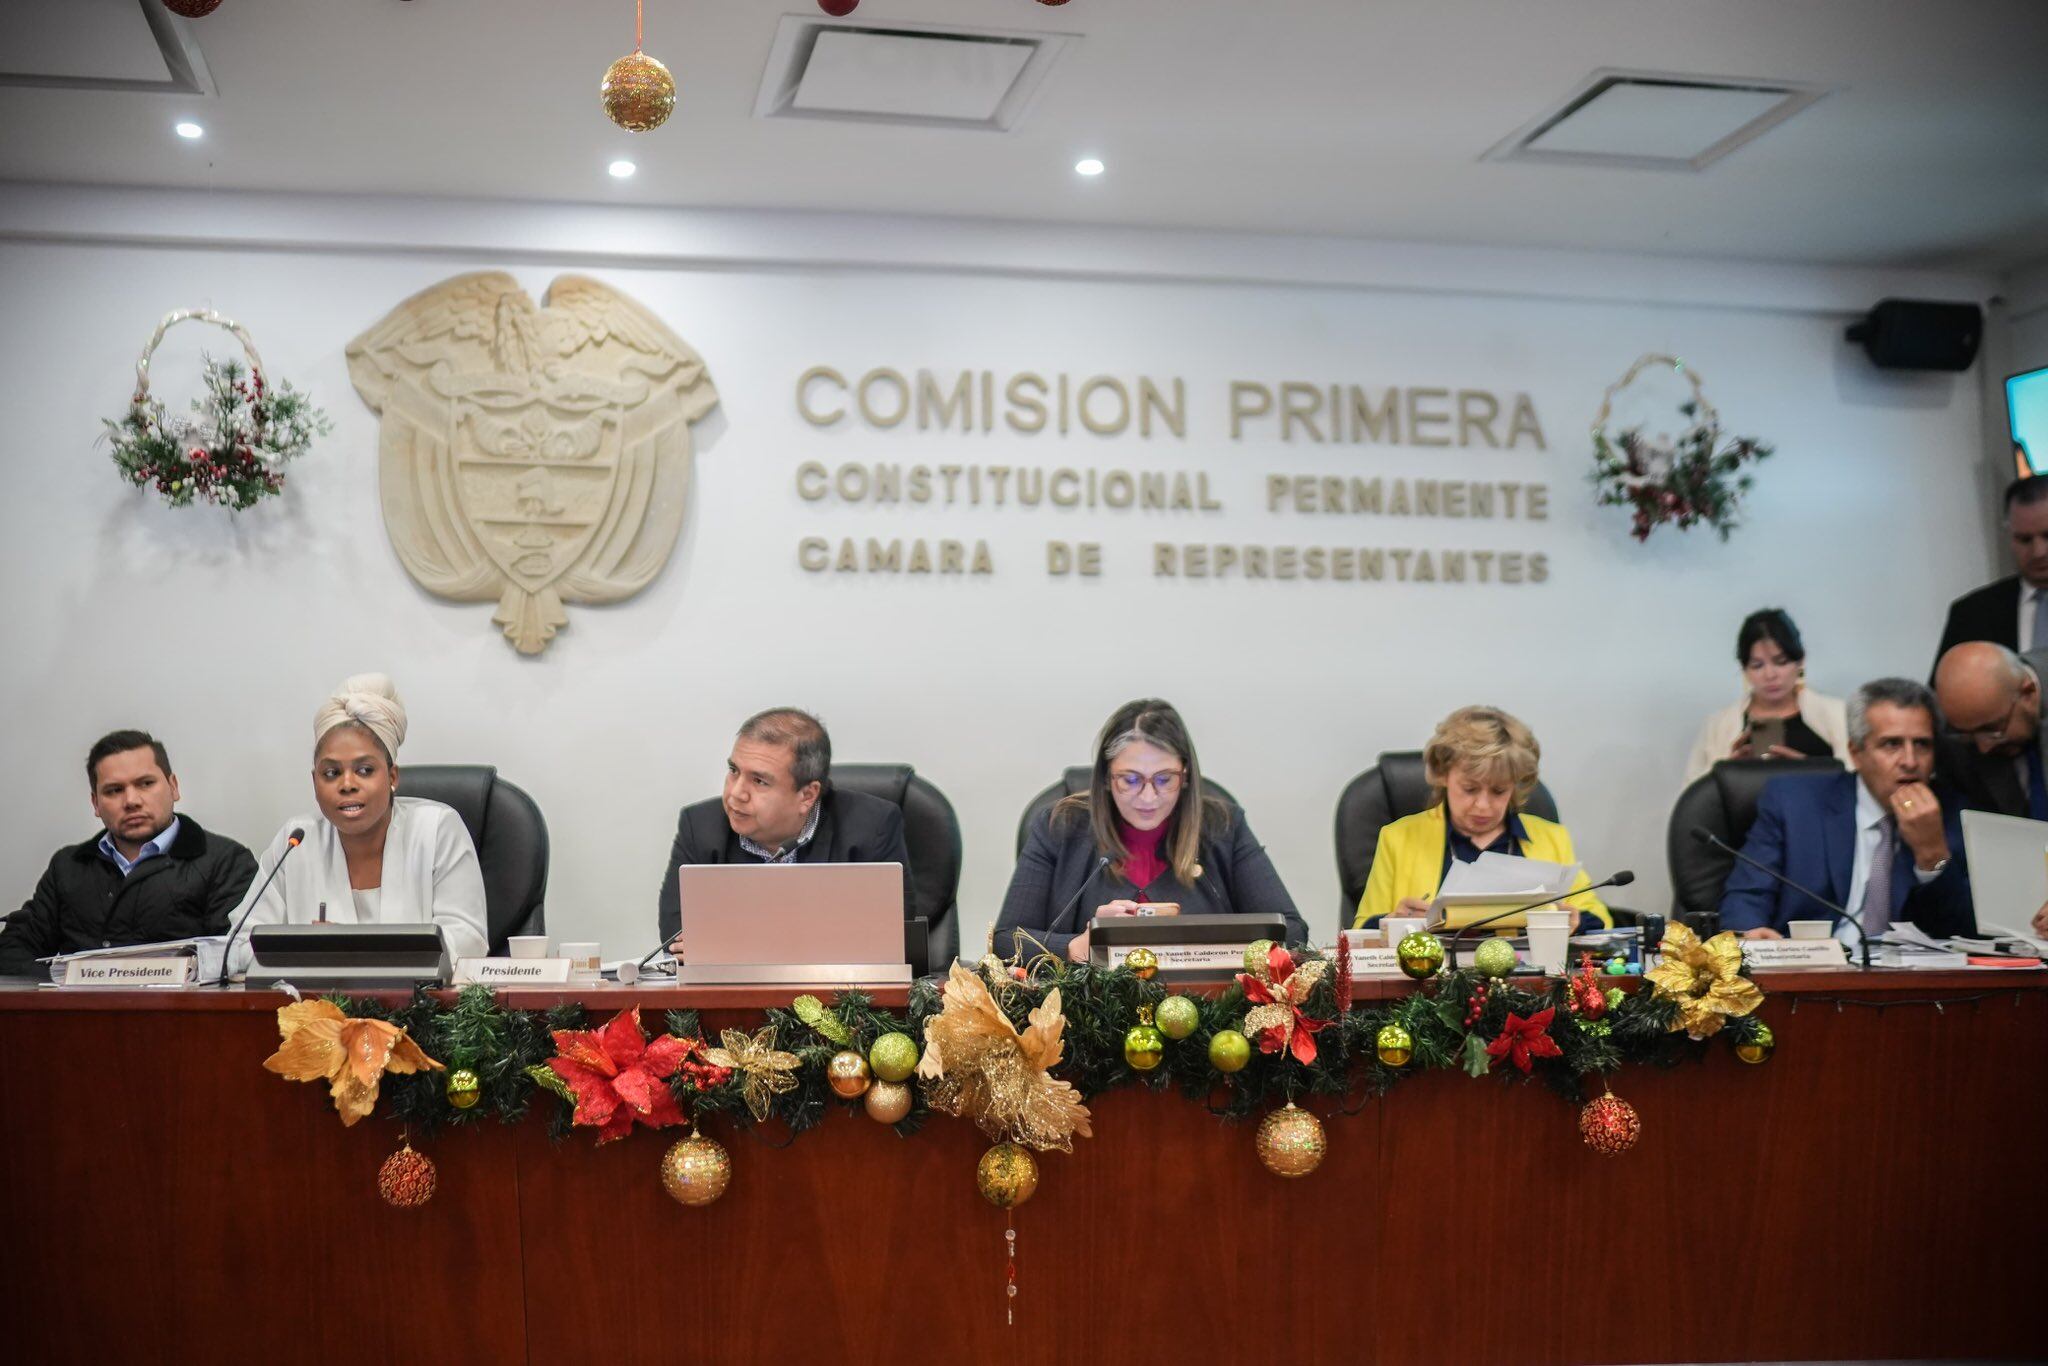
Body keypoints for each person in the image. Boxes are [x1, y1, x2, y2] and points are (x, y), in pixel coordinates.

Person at [993, 699, 1306, 962]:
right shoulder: (1060, 827)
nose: (1148, 797)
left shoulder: (1223, 827)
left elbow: (1292, 931)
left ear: (1185, 775)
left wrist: (1208, 949)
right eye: (1130, 779)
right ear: (1105, 776)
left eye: (1164, 779)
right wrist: (1076, 946)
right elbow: (1006, 940)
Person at [227, 674, 488, 972]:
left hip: (421, 1010)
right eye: (331, 773)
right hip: (316, 1011)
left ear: (392, 777)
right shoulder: (297, 839)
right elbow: (240, 943)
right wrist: (308, 950)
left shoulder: (437, 829)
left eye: (364, 770)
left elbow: (467, 940)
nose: (347, 784)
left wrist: (350, 951)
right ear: (314, 782)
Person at [1720, 678, 1974, 940]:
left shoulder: (1953, 814)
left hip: (1907, 976)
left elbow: (1963, 930)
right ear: (1856, 752)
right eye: (1892, 744)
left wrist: (1932, 856)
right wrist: (1750, 935)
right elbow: (1748, 895)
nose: (1910, 762)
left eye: (1922, 745)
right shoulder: (1794, 802)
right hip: (1812, 970)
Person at [0, 730, 256, 976]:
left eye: (145, 784)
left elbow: (235, 957)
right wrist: (63, 984)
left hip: (179, 1017)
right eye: (114, 790)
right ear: (95, 803)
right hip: (80, 1017)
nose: (131, 800)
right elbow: (15, 950)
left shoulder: (225, 861)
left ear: (173, 787)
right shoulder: (68, 866)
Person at [656, 708, 910, 947]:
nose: (736, 793)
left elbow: (894, 937)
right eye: (733, 770)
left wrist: (734, 944)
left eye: (759, 781)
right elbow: (676, 938)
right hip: (732, 992)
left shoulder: (872, 827)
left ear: (807, 796)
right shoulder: (700, 827)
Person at [1354, 705, 1611, 932]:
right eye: (1470, 789)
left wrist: (1576, 920)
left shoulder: (1551, 838)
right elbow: (1361, 929)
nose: (1483, 805)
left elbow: (1600, 919)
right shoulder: (1399, 838)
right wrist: (1394, 921)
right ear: (1444, 774)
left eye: (1499, 791)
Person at [1683, 608, 1850, 783]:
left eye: (1781, 662)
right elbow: (1692, 798)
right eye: (1757, 665)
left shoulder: (1837, 715)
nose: (1770, 675)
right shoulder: (1718, 726)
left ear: (1800, 661)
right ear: (1744, 668)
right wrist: (1728, 771)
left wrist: (1806, 769)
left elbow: (1860, 783)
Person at [1930, 475, 2048, 671]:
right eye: (2025, 540)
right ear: (2009, 537)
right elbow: (1940, 696)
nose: (2038, 552)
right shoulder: (1972, 613)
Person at [1931, 640, 2048, 819]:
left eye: (1992, 728)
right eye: (1968, 734)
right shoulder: (1955, 734)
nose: (1983, 748)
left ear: (2028, 693)